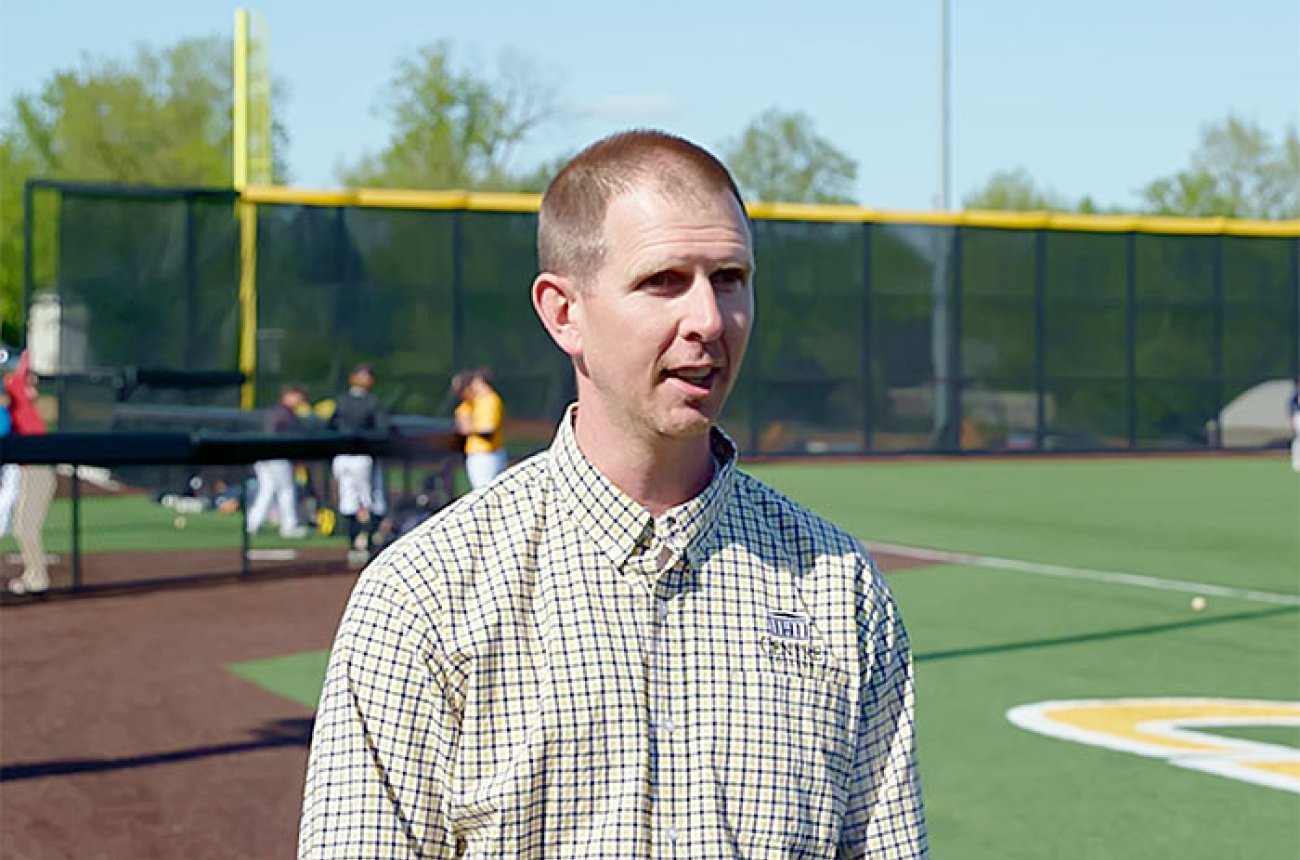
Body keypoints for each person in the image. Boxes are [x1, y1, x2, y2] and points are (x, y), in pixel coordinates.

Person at [299, 131, 927, 858]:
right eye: (664, 281)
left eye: (730, 278)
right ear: (563, 312)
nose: (710, 320)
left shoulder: (838, 588)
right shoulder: (426, 596)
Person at [4, 352, 56, 595]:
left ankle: (39, 577)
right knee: (20, 526)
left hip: (39, 470)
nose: (34, 387)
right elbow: (20, 372)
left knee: (27, 526)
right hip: (29, 470)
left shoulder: (20, 397)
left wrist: (24, 356)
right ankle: (32, 573)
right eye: (31, 381)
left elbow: (20, 371)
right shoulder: (16, 398)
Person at [329, 363, 388, 566]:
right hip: (362, 457)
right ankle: (366, 545)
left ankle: (354, 546)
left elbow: (330, 426)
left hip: (342, 457)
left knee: (349, 500)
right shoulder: (372, 402)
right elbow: (382, 429)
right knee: (368, 500)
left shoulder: (341, 401)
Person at [246, 384, 309, 538]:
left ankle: (253, 523)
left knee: (267, 490)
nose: (300, 400)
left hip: (267, 455)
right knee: (286, 490)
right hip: (277, 456)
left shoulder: (281, 412)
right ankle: (289, 525)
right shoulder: (283, 413)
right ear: (288, 395)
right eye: (297, 396)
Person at [451, 365, 507, 489]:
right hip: (478, 455)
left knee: (486, 493)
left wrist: (470, 428)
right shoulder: (474, 402)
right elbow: (461, 418)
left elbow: (488, 430)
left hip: (487, 455)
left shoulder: (489, 400)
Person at [1290, 379, 1300, 472]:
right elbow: (1291, 407)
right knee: (1299, 438)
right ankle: (1296, 461)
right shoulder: (1296, 393)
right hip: (1298, 415)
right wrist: (1291, 420)